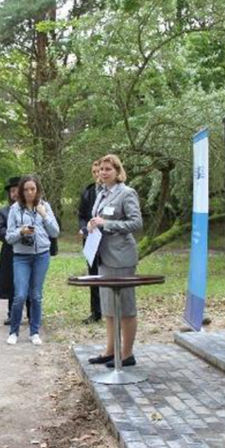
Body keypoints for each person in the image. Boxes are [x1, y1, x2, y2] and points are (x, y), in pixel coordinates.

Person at [86, 154, 143, 367]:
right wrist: (92, 226)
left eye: (108, 169)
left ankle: (127, 354)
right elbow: (99, 220)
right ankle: (110, 350)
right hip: (103, 256)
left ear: (118, 172)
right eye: (101, 169)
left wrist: (107, 224)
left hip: (122, 257)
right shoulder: (100, 194)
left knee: (126, 307)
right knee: (108, 307)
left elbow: (136, 223)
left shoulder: (127, 193)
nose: (103, 172)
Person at [5, 175, 59, 346]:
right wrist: (21, 232)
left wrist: (44, 216)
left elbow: (55, 232)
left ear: (37, 190)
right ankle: (14, 331)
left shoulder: (45, 207)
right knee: (20, 295)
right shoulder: (15, 209)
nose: (29, 192)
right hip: (21, 257)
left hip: (41, 255)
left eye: (33, 189)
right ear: (21, 190)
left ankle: (34, 332)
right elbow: (8, 237)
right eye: (26, 189)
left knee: (36, 295)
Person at [0, 177, 30, 326]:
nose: (15, 194)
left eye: (17, 190)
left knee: (29, 282)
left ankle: (31, 313)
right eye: (12, 191)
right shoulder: (4, 211)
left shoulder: (31, 208)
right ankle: (12, 314)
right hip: (10, 251)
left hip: (29, 251)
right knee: (12, 283)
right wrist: (16, 235)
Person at [77, 160, 103, 324]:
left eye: (99, 171)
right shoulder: (88, 192)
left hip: (108, 239)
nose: (97, 175)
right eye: (94, 172)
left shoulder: (114, 192)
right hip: (91, 239)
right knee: (93, 275)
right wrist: (83, 229)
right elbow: (81, 215)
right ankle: (96, 311)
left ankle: (112, 310)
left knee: (110, 275)